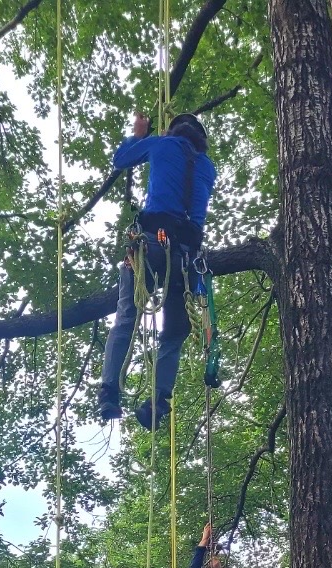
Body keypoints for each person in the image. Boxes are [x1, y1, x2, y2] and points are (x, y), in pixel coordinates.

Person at [98, 111, 217, 428]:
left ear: (173, 131)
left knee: (127, 314)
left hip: (152, 244)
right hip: (186, 257)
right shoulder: (208, 167)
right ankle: (158, 401)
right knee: (174, 331)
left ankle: (109, 391)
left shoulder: (162, 145)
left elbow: (121, 160)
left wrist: (139, 134)